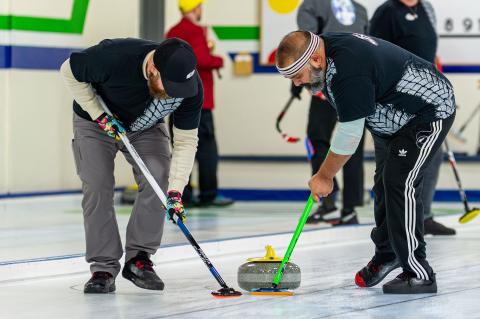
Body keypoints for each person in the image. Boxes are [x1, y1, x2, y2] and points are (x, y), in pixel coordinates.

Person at [276, 31, 455, 294]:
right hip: (392, 119)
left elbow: (349, 136)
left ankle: (419, 272)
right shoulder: (326, 53)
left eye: (296, 75)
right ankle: (388, 254)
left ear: (315, 59)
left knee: (399, 182)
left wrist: (325, 176)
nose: (297, 83)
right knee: (384, 185)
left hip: (427, 112)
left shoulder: (348, 69)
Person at [61, 37, 202, 293]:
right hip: (95, 123)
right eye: (168, 85)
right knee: (97, 183)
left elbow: (185, 141)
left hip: (145, 127)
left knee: (160, 175)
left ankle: (139, 259)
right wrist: (100, 116)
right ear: (152, 69)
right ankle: (103, 267)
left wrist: (175, 192)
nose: (174, 92)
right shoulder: (114, 57)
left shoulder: (189, 86)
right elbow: (68, 70)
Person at [370, 0, 455, 236]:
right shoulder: (386, 12)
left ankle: (424, 216)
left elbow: (430, 50)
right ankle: (394, 221)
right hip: (397, 98)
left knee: (433, 155)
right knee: (395, 162)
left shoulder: (427, 8)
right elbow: (375, 54)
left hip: (428, 97)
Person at [293, 0, 369, 225]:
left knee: (319, 140)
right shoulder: (360, 10)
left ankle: (328, 203)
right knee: (352, 146)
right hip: (357, 87)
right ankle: (349, 208)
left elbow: (304, 47)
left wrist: (304, 84)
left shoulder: (312, 5)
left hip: (325, 86)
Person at [166, 0, 234, 207]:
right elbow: (201, 60)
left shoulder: (172, 32)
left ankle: (183, 194)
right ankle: (209, 194)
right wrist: (219, 61)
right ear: (195, 8)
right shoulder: (195, 31)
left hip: (175, 99)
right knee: (206, 150)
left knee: (180, 148)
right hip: (199, 101)